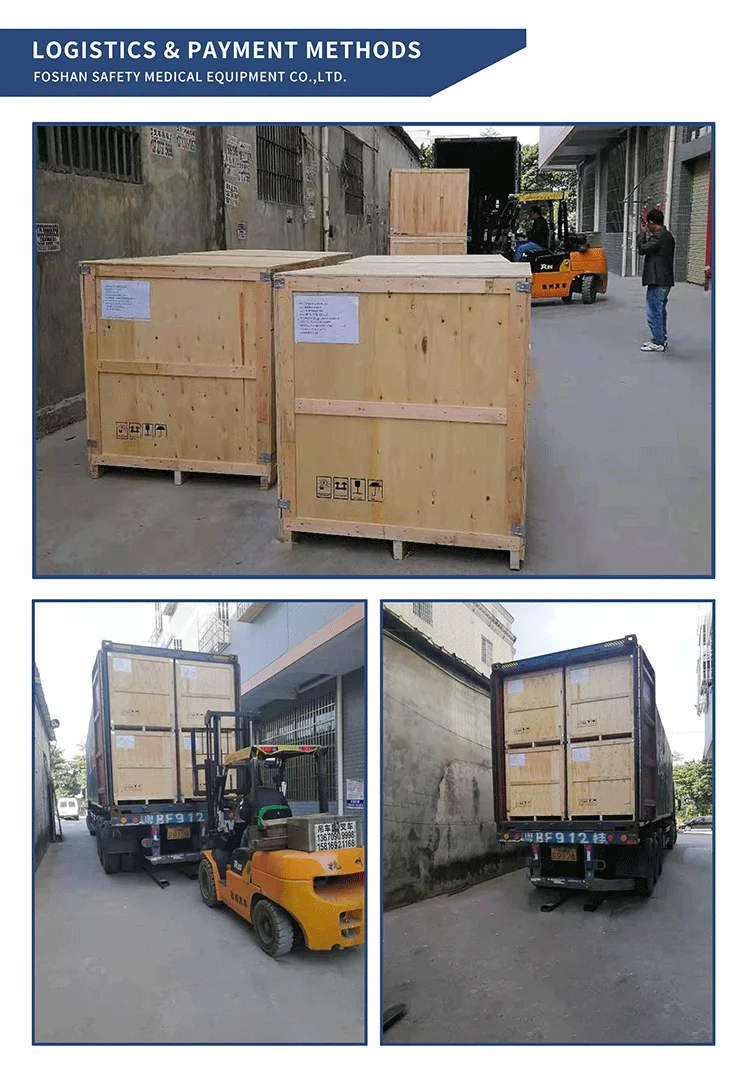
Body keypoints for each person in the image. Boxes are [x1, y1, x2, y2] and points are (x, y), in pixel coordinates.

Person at [637, 207, 675, 352]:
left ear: (652, 223)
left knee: (654, 311)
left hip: (658, 281)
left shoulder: (658, 237)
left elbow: (642, 249)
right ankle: (660, 339)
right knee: (660, 311)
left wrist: (642, 233)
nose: (647, 226)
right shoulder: (667, 236)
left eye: (648, 223)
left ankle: (658, 342)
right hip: (664, 280)